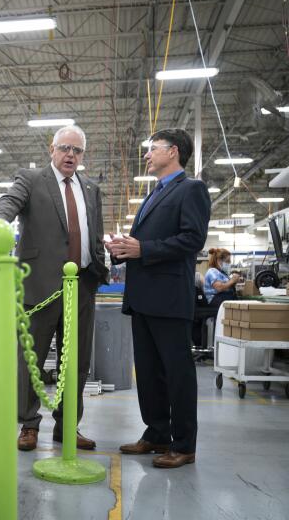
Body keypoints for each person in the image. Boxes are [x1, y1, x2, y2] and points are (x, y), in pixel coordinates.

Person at [0, 125, 108, 451]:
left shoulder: (91, 188)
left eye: (77, 150)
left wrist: (98, 271)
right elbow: (8, 202)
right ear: (52, 149)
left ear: (82, 155)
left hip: (82, 286)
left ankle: (67, 427)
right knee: (31, 357)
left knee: (75, 362)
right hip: (39, 285)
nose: (70, 155)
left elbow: (94, 234)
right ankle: (28, 425)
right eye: (65, 148)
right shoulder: (31, 180)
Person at [106, 128, 210, 468]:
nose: (147, 155)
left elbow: (192, 240)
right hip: (143, 297)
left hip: (168, 298)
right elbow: (145, 244)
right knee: (149, 372)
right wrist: (123, 250)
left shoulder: (191, 189)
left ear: (174, 152)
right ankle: (156, 434)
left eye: (153, 149)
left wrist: (143, 248)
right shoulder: (154, 194)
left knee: (177, 373)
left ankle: (184, 444)